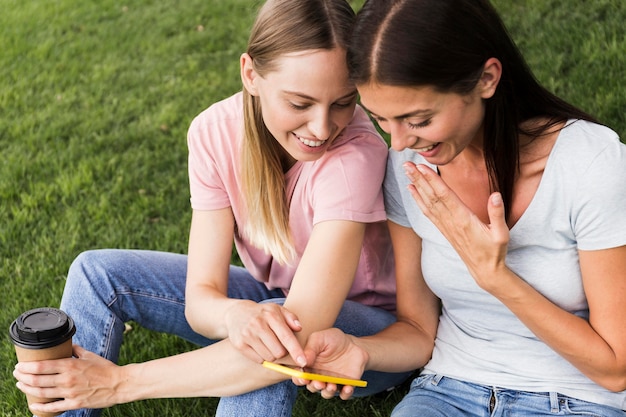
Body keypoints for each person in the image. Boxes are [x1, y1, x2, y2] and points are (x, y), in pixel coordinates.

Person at [12, 0, 412, 416]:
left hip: (369, 337)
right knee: (97, 273)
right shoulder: (213, 133)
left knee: (275, 328)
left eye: (344, 102)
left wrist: (119, 384)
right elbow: (200, 299)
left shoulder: (355, 157)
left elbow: (303, 324)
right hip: (281, 300)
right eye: (299, 103)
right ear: (250, 74)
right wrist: (233, 316)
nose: (322, 127)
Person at [296, 0, 626, 415]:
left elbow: (616, 368)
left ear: (487, 78)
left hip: (578, 399)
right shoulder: (410, 167)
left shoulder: (590, 163)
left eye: (417, 119)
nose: (398, 142)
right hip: (448, 390)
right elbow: (418, 328)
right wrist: (361, 351)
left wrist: (496, 277)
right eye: (382, 119)